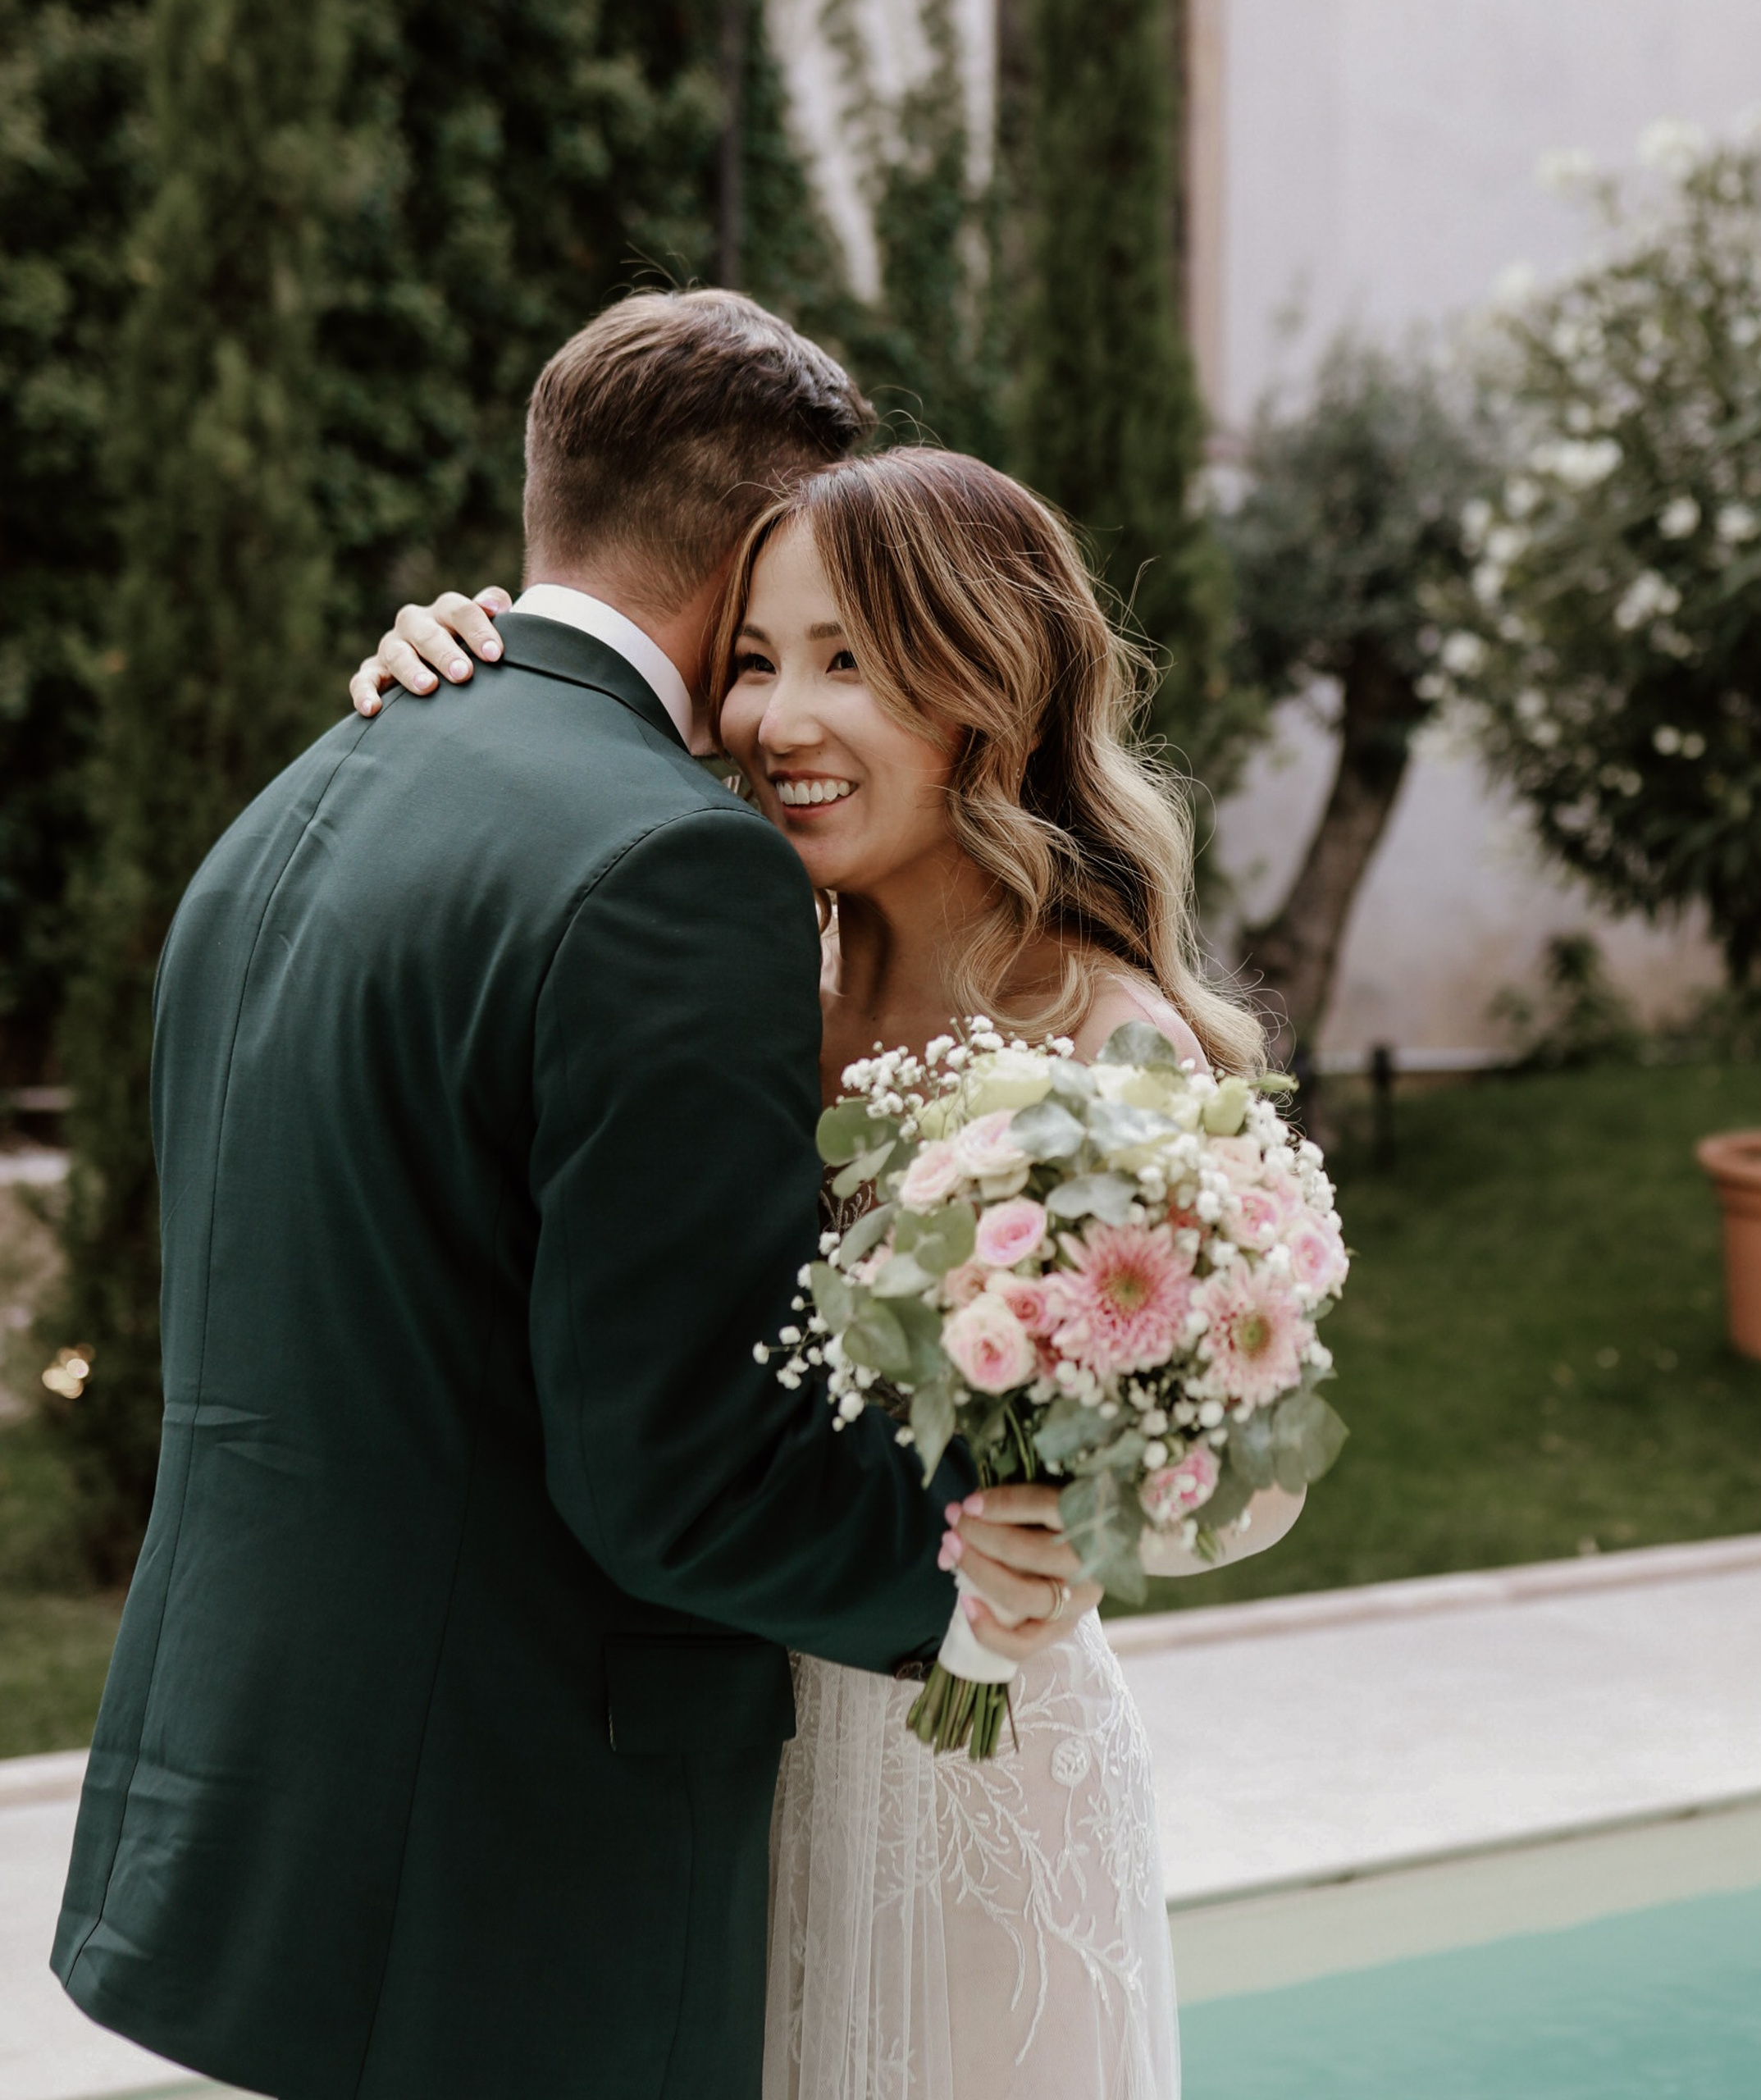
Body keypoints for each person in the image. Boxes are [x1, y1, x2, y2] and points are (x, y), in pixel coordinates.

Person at [51, 291, 1089, 2100]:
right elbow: (672, 1469)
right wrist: (965, 1591)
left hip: (256, 1813)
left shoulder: (308, 791)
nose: (784, 694)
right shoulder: (674, 864)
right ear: (748, 545)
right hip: (502, 1862)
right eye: (780, 626)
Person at [353, 444, 1307, 2099]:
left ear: (979, 690)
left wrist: (1083, 1524)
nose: (772, 718)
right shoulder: (724, 970)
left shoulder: (1107, 1041)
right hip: (723, 1762)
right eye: (752, 657)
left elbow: (1251, 1471)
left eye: (844, 660)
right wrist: (453, 676)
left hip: (979, 1764)